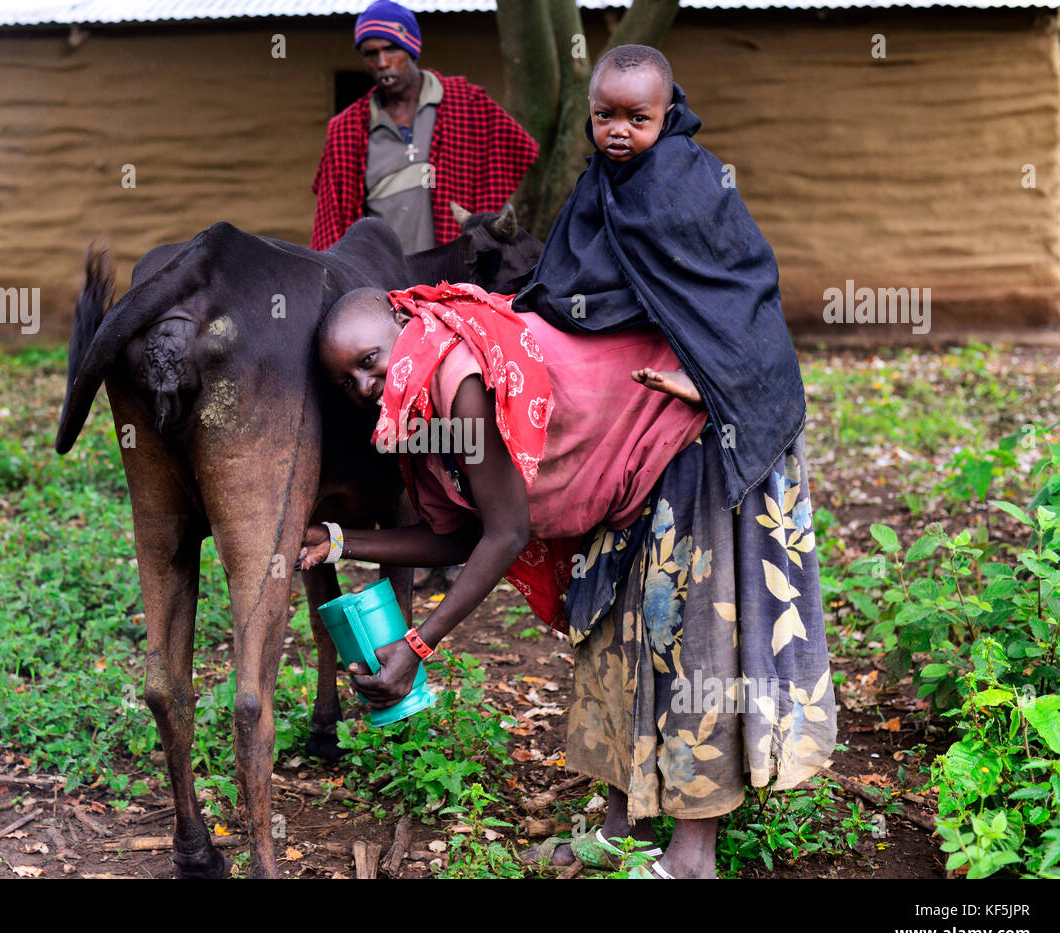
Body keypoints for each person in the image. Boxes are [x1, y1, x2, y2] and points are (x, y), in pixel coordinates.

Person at [300, 46, 838, 880]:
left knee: (692, 641)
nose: (372, 386)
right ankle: (621, 831)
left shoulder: (688, 190)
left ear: (668, 113)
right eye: (603, 117)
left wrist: (713, 377)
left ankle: (693, 854)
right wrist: (340, 539)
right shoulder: (593, 197)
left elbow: (736, 303)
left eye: (638, 118)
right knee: (615, 637)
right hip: (617, 467)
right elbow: (560, 315)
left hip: (693, 443)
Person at [310, 0, 539, 253]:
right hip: (381, 281)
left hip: (458, 270)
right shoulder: (347, 130)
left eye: (392, 49)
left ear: (411, 48)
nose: (383, 62)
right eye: (371, 54)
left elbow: (518, 152)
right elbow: (332, 222)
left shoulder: (467, 104)